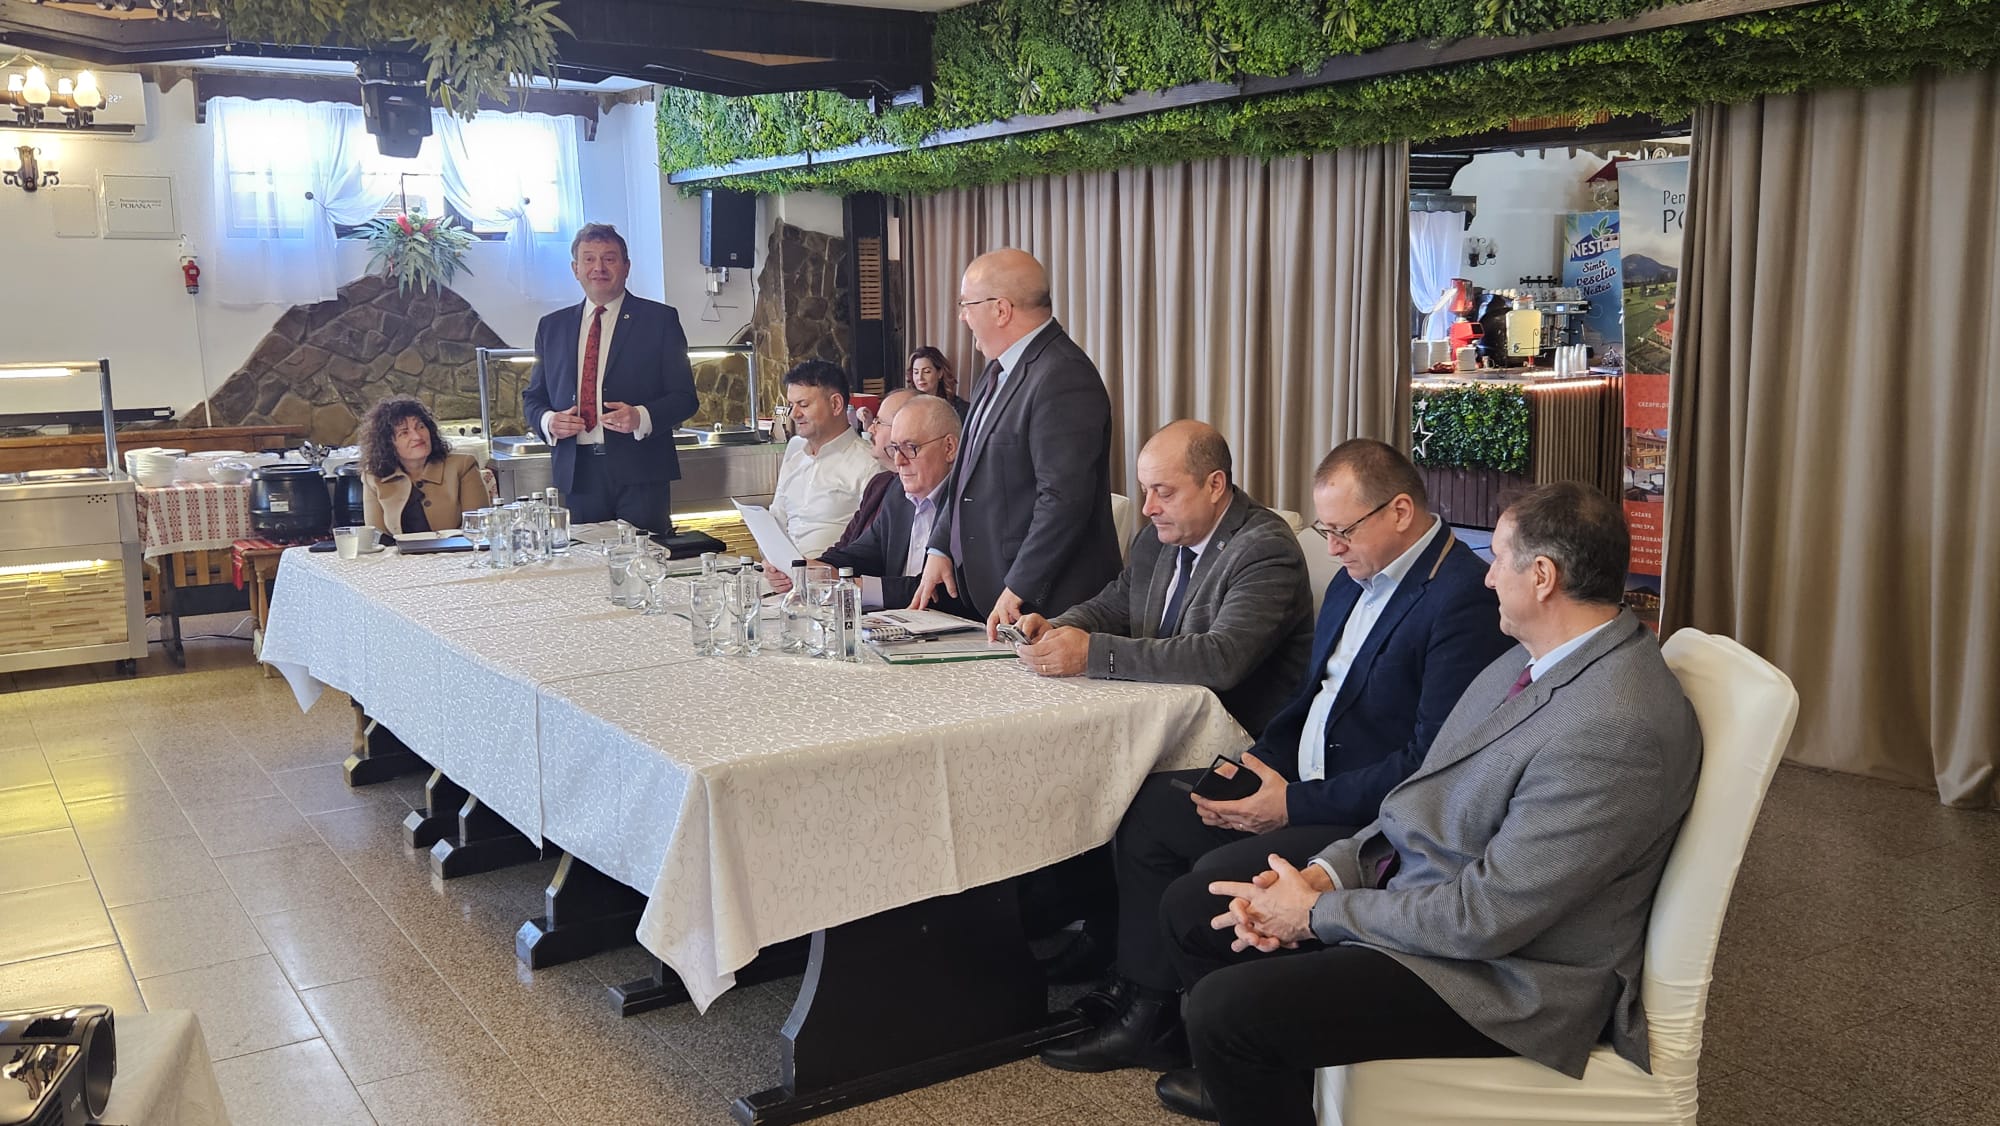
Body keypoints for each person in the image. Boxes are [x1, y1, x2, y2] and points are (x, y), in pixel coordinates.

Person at [1149, 481, 1703, 1125]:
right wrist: (1325, 874)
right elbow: (1419, 798)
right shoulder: (1534, 657)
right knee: (1195, 909)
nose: (1487, 576)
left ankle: (1253, 1073)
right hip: (1433, 892)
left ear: (1543, 577)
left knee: (1227, 1014)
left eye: (1499, 559)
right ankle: (1270, 1085)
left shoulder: (1615, 728)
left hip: (1507, 977)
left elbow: (1486, 918)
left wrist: (1318, 913)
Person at [1039, 438, 1510, 1076]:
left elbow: (1428, 767)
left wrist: (1290, 803)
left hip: (1362, 816)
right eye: (1325, 530)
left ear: (1400, 511)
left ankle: (1207, 1035)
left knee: (1201, 884)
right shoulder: (1354, 578)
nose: (1331, 548)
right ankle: (1148, 1002)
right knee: (1147, 808)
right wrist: (1257, 767)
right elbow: (1310, 699)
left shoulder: (1461, 600)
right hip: (1298, 777)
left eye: (1342, 530)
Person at [1014, 420, 1312, 737]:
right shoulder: (1157, 539)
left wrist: (1093, 654)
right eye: (1146, 491)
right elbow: (1112, 608)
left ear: (1215, 485)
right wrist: (1057, 629)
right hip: (1157, 720)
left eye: (1164, 493)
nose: (1148, 508)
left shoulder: (1265, 548)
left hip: (1233, 740)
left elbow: (1221, 658)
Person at [913, 249, 1122, 633]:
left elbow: (1063, 500)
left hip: (1049, 606)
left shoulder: (1063, 375)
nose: (962, 317)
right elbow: (965, 472)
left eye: (966, 304)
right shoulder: (998, 369)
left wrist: (1019, 586)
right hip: (996, 599)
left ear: (1001, 310)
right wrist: (940, 545)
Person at [523, 223, 698, 535]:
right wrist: (549, 421)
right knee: (584, 564)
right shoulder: (551, 327)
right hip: (579, 474)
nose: (599, 268)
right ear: (575, 269)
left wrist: (641, 416)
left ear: (626, 267)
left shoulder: (659, 320)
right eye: (589, 259)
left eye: (609, 258)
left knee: (646, 558)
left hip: (642, 472)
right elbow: (534, 398)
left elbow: (685, 397)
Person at [802, 395, 970, 613]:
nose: (899, 461)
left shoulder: (970, 502)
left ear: (949, 448)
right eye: (894, 448)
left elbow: (945, 591)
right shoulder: (897, 493)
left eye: (911, 447)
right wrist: (815, 569)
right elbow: (864, 553)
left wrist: (858, 588)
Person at [768, 360, 881, 558]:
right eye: (791, 405)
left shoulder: (870, 465)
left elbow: (871, 545)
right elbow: (776, 520)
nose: (794, 414)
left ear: (836, 404)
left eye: (803, 405)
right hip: (785, 570)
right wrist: (772, 562)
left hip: (835, 572)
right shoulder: (795, 458)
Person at [358, 395, 488, 536]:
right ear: (388, 444)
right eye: (404, 433)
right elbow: (377, 538)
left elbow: (477, 530)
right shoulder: (373, 477)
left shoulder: (463, 466)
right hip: (397, 551)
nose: (417, 436)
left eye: (420, 427)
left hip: (457, 549)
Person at [830, 388, 915, 553]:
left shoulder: (920, 493)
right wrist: (811, 565)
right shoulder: (878, 483)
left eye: (878, 422)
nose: (870, 429)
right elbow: (846, 547)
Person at [906, 345, 968, 418]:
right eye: (916, 372)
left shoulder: (959, 409)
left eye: (927, 371)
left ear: (940, 373)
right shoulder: (907, 405)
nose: (920, 377)